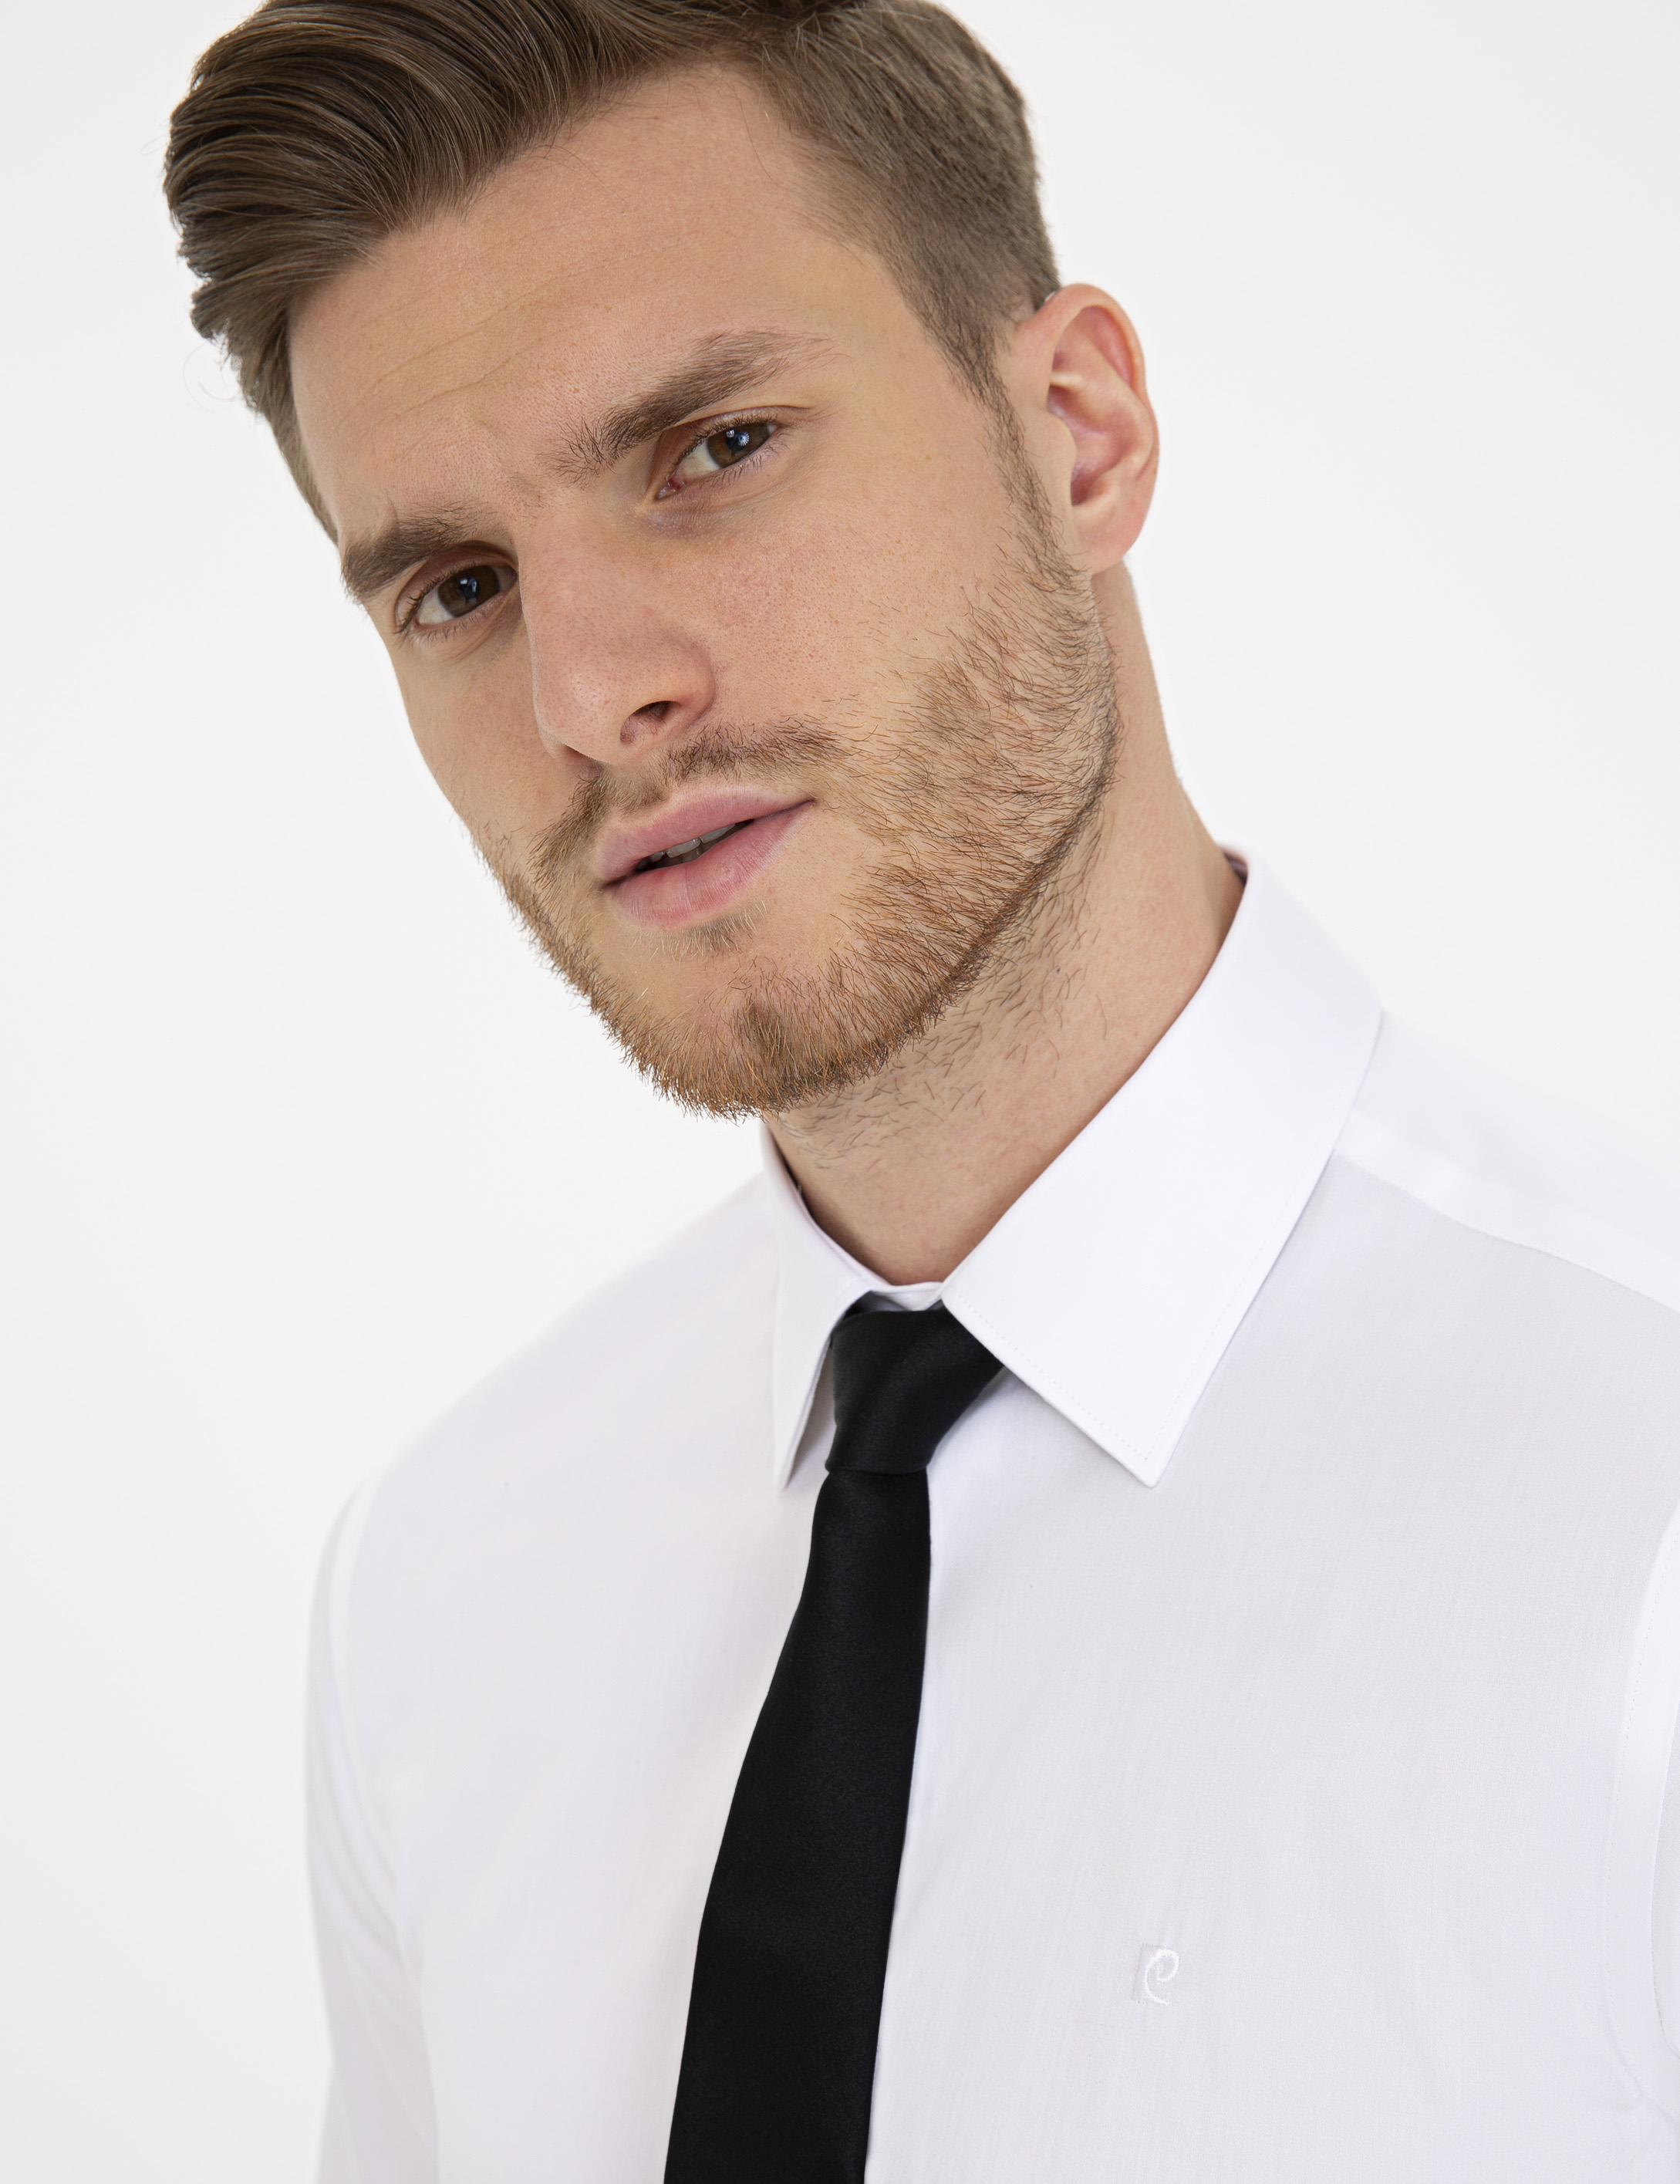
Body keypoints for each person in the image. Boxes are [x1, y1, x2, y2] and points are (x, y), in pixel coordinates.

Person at [164, 2, 1680, 2176]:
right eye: (457, 587)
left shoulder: (1639, 1481)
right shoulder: (445, 1589)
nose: (591, 695)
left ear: (1077, 437)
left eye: (711, 450)